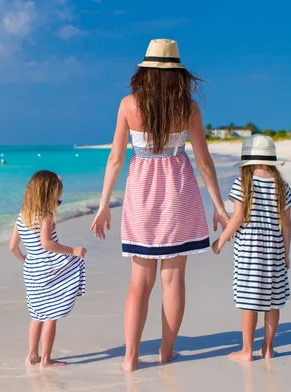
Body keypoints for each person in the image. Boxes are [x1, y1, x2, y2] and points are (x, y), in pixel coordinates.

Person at [90, 39, 230, 372]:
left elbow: (115, 159)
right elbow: (204, 160)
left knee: (139, 281)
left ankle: (130, 358)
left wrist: (103, 204)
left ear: (144, 70)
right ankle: (166, 353)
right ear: (177, 72)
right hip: (178, 191)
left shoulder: (128, 104)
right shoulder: (189, 107)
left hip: (141, 194)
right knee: (173, 279)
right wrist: (219, 206)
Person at [212, 134, 291, 361]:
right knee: (273, 301)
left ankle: (247, 350)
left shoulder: (243, 183)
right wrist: (286, 253)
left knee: (250, 302)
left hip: (249, 251)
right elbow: (286, 223)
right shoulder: (281, 185)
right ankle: (268, 348)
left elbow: (238, 217)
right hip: (275, 248)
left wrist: (220, 241)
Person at [9, 170, 88, 369]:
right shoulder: (46, 216)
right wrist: (73, 250)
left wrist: (24, 261)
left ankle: (32, 356)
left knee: (36, 315)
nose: (57, 203)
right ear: (48, 196)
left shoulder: (21, 217)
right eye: (57, 199)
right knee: (52, 315)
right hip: (48, 268)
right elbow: (46, 243)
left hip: (32, 270)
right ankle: (46, 359)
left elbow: (12, 246)